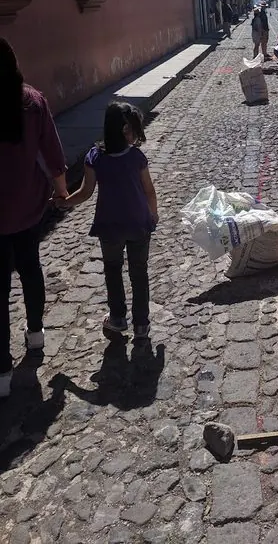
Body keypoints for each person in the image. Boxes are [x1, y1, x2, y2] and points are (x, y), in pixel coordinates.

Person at [0, 39, 68, 398]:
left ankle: (1, 373)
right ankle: (36, 333)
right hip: (26, 207)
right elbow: (53, 152)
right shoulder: (32, 102)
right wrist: (61, 191)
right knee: (30, 269)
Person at [63, 102, 158, 339]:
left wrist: (63, 201)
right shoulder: (136, 157)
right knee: (139, 272)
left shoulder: (95, 157)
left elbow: (85, 192)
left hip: (110, 226)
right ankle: (141, 324)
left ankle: (117, 318)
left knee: (113, 271)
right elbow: (149, 190)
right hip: (138, 223)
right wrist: (153, 214)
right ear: (125, 129)